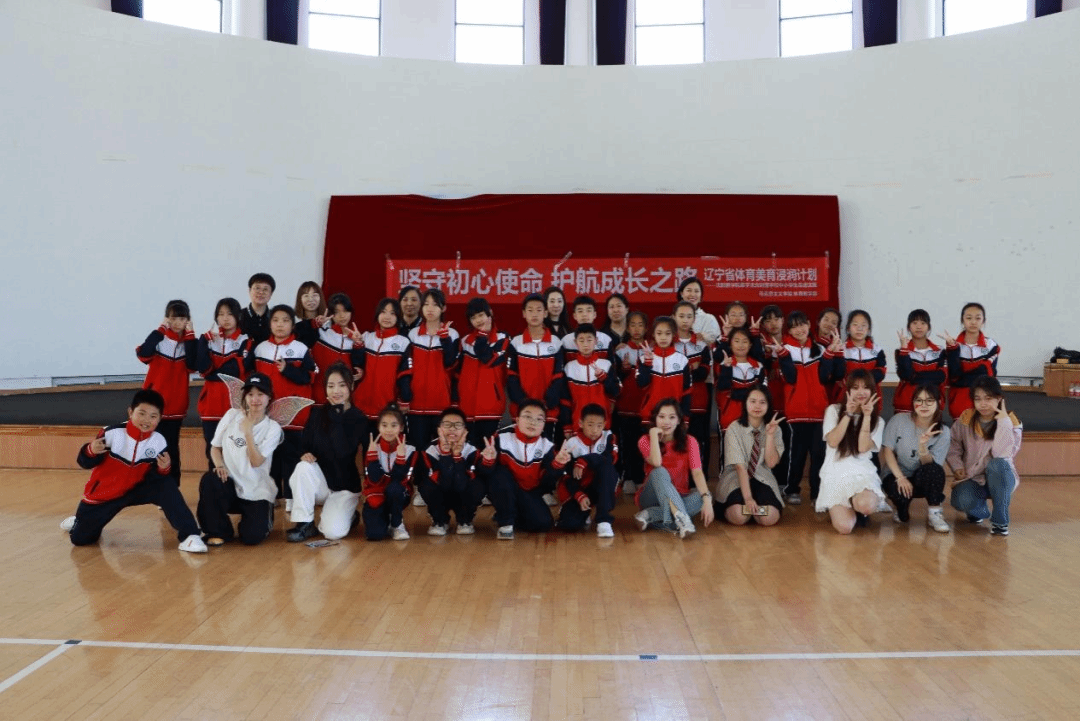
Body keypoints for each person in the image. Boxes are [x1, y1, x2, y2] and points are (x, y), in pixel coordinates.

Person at [61, 389, 206, 553]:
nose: (147, 420)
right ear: (130, 412)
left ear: (159, 418)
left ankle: (190, 536)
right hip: (106, 495)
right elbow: (85, 463)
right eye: (142, 414)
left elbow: (156, 477)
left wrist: (163, 469)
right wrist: (91, 450)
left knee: (167, 485)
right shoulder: (111, 433)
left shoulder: (159, 441)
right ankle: (78, 522)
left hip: (136, 489)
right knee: (80, 539)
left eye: (153, 416)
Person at [196, 373, 284, 546]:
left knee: (252, 537)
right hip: (230, 484)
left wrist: (248, 432)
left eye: (260, 394)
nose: (255, 399)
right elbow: (215, 447)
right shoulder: (232, 415)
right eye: (250, 394)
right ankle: (218, 531)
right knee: (210, 480)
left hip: (256, 490)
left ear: (269, 397)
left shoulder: (273, 428)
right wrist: (220, 465)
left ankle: (262, 515)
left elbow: (256, 462)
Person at [285, 363, 365, 542]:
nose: (336, 391)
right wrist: (304, 453)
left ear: (351, 386)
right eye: (331, 386)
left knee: (332, 533)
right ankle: (304, 524)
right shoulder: (317, 414)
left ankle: (350, 515)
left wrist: (337, 414)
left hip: (344, 487)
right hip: (321, 482)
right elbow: (304, 443)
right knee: (303, 467)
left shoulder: (357, 418)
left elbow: (343, 451)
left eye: (342, 385)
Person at [248, 304, 316, 502]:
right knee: (270, 456)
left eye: (285, 321)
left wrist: (288, 370)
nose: (280, 325)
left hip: (292, 416)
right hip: (266, 416)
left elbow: (310, 377)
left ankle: (291, 498)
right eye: (276, 320)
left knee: (291, 457)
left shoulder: (301, 349)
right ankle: (273, 495)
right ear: (270, 324)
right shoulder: (260, 348)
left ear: (292, 325)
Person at [774, 311, 842, 505]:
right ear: (789, 330)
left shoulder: (820, 349)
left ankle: (816, 493)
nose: (799, 329)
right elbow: (790, 378)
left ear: (809, 324)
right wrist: (783, 356)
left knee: (818, 455)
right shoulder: (784, 349)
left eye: (802, 324)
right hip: (796, 412)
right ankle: (792, 490)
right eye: (794, 326)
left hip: (819, 412)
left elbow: (824, 377)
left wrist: (829, 354)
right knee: (796, 455)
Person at [477, 399, 568, 540]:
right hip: (504, 488)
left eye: (539, 419)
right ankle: (505, 523)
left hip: (528, 491)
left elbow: (547, 483)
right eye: (528, 416)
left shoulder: (547, 445)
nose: (533, 423)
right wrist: (488, 461)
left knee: (543, 523)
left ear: (544, 424)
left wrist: (557, 465)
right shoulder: (501, 437)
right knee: (500, 474)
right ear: (517, 419)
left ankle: (510, 514)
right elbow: (483, 473)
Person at [947, 377, 1022, 536]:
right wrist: (957, 466)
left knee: (997, 464)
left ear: (999, 399)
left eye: (988, 398)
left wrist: (1003, 422)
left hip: (1001, 477)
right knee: (960, 501)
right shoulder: (966, 419)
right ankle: (979, 510)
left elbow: (1001, 454)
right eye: (978, 399)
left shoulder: (1011, 422)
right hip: (973, 477)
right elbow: (953, 445)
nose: (983, 404)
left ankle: (1000, 521)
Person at [815, 370, 886, 534]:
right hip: (835, 472)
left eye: (865, 388)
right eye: (855, 388)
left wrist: (867, 416)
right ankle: (847, 508)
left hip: (861, 472)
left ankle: (858, 506)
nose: (861, 392)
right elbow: (833, 442)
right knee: (845, 528)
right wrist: (848, 414)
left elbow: (862, 448)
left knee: (866, 506)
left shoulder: (878, 421)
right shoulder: (833, 410)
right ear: (848, 390)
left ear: (872, 391)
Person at [136, 299, 197, 483]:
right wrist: (160, 329)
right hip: (153, 406)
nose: (178, 323)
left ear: (188, 320)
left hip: (176, 406)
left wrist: (190, 336)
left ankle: (172, 486)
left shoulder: (189, 343)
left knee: (171, 448)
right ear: (167, 319)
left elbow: (193, 365)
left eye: (182, 319)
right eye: (173, 318)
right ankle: (150, 486)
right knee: (150, 446)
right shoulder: (159, 340)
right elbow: (143, 353)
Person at [634, 398, 714, 537]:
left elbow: (697, 472)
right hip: (651, 497)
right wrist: (654, 436)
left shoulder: (690, 441)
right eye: (661, 417)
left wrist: (707, 500)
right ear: (655, 419)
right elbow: (656, 462)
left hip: (680, 495)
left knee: (706, 496)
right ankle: (683, 520)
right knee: (659, 471)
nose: (666, 422)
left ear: (678, 420)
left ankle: (650, 515)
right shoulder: (645, 440)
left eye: (672, 417)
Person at [880, 383, 951, 533]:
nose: (923, 405)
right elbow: (887, 450)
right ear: (913, 403)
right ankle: (901, 507)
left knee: (934, 471)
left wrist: (922, 446)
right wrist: (900, 477)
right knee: (903, 517)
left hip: (921, 478)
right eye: (919, 400)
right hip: (898, 476)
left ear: (939, 403)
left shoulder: (943, 431)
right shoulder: (898, 420)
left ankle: (935, 513)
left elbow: (932, 466)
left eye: (929, 400)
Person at [716, 386, 785, 527]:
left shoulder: (775, 429)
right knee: (739, 515)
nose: (757, 406)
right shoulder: (734, 428)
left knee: (769, 517)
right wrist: (748, 498)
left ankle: (753, 512)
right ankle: (750, 510)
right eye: (753, 401)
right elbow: (740, 468)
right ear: (745, 403)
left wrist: (770, 435)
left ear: (768, 405)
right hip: (736, 477)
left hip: (762, 476)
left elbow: (771, 463)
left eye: (762, 402)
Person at [195, 297, 251, 467]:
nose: (225, 318)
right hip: (210, 406)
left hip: (234, 406)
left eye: (230, 314)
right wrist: (203, 341)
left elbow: (235, 370)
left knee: (236, 451)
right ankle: (215, 483)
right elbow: (203, 368)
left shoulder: (245, 340)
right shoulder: (209, 340)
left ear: (238, 316)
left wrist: (211, 374)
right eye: (221, 314)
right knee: (212, 452)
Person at [415, 407, 486, 535]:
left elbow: (462, 485)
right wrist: (445, 454)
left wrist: (457, 456)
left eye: (457, 425)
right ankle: (440, 521)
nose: (452, 429)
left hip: (462, 493)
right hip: (442, 494)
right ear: (439, 429)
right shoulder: (429, 450)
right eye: (447, 424)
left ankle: (465, 520)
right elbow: (443, 483)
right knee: (426, 485)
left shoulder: (472, 450)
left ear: (465, 430)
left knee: (478, 485)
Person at [407, 288, 459, 452]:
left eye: (435, 305)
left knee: (442, 451)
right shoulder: (413, 334)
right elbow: (406, 368)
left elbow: (451, 365)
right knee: (418, 451)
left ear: (443, 308)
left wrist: (445, 339)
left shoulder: (452, 334)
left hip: (441, 404)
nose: (430, 309)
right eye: (426, 304)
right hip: (415, 405)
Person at [555, 404, 619, 538]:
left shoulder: (608, 437)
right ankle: (578, 512)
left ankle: (604, 520)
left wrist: (585, 460)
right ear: (581, 423)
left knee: (607, 467)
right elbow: (566, 475)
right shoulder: (571, 443)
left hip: (601, 488)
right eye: (590, 425)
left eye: (599, 425)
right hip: (580, 489)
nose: (595, 430)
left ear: (604, 424)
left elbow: (610, 459)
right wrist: (578, 494)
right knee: (569, 525)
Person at [507, 293, 564, 440]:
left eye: (539, 310)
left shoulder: (556, 343)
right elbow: (511, 376)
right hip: (522, 411)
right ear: (524, 314)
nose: (534, 314)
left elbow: (558, 376)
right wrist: (523, 403)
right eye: (530, 310)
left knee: (547, 449)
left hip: (548, 411)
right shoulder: (516, 343)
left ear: (545, 313)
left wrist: (549, 402)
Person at [353, 298, 413, 434]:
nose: (387, 317)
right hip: (360, 405)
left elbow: (405, 374)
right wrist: (358, 345)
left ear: (398, 317)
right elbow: (357, 364)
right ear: (377, 314)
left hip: (387, 408)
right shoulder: (367, 337)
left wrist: (405, 399)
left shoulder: (403, 342)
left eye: (392, 313)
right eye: (383, 312)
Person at [457, 297, 510, 448]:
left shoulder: (503, 338)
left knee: (489, 451)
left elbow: (489, 360)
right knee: (468, 452)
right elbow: (457, 372)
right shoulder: (465, 341)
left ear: (490, 313)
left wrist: (482, 337)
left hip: (491, 406)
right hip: (466, 407)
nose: (478, 320)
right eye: (473, 318)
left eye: (481, 315)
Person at [361, 404, 416, 541]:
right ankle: (384, 518)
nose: (389, 430)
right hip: (377, 493)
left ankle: (397, 524)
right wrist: (372, 457)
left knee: (394, 488)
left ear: (401, 427)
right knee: (374, 535)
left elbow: (400, 480)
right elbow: (374, 480)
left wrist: (400, 458)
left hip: (398, 493)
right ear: (378, 427)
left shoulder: (410, 450)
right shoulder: (373, 447)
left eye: (394, 425)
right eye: (384, 425)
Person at [673, 300, 714, 475]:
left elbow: (703, 374)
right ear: (674, 317)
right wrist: (691, 367)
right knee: (675, 442)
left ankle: (698, 482)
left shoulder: (702, 344)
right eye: (681, 316)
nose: (685, 320)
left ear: (694, 319)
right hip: (674, 401)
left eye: (689, 316)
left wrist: (682, 370)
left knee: (697, 442)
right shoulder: (668, 342)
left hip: (698, 401)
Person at [559, 324, 620, 434]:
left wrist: (603, 378)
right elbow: (565, 400)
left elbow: (615, 391)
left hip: (602, 426)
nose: (585, 344)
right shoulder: (569, 368)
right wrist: (567, 426)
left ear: (596, 341)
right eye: (581, 340)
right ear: (575, 342)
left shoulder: (606, 365)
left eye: (589, 340)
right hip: (578, 425)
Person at [613, 311, 649, 494]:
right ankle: (627, 477)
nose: (636, 329)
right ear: (627, 328)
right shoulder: (620, 350)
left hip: (644, 406)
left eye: (640, 325)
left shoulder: (651, 349)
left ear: (646, 328)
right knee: (627, 444)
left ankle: (641, 478)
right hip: (625, 406)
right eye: (633, 325)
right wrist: (623, 370)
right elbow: (614, 379)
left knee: (643, 444)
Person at [945, 302, 1000, 419]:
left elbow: (989, 376)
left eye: (978, 318)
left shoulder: (991, 345)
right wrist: (952, 350)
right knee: (961, 429)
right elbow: (954, 377)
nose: (973, 322)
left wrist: (964, 379)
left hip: (984, 400)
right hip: (960, 400)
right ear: (962, 320)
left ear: (984, 321)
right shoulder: (953, 345)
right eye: (969, 318)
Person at [308, 292, 364, 405]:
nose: (342, 316)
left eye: (345, 311)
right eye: (337, 312)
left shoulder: (356, 339)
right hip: (318, 399)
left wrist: (358, 345)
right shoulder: (321, 334)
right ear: (331, 314)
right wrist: (314, 324)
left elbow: (358, 367)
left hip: (344, 400)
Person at [636, 316, 692, 425]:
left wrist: (685, 418)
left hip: (674, 418)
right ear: (653, 334)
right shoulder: (643, 359)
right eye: (659, 333)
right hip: (650, 415)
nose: (663, 337)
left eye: (667, 333)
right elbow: (641, 384)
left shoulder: (682, 360)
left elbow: (687, 391)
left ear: (674, 335)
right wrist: (648, 363)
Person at [894, 309, 949, 414]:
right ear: (908, 327)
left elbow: (942, 376)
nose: (919, 327)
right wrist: (904, 349)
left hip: (932, 405)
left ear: (929, 327)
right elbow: (906, 375)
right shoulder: (901, 351)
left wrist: (915, 377)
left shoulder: (940, 351)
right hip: (906, 406)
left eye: (923, 323)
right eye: (915, 323)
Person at [562, 295, 614, 363]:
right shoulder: (566, 341)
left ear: (594, 314)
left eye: (588, 310)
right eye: (580, 311)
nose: (584, 314)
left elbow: (611, 365)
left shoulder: (606, 340)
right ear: (574, 315)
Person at [676, 276, 720, 344]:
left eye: (696, 291)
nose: (693, 294)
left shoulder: (709, 319)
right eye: (689, 290)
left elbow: (716, 344)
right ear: (681, 294)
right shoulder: (673, 319)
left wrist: (705, 338)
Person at [240, 272, 275, 347]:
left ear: (271, 294)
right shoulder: (238, 315)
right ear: (250, 291)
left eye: (265, 289)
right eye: (257, 288)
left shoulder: (275, 317)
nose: (261, 292)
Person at [292, 280, 327, 347]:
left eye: (315, 295)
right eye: (306, 296)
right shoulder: (296, 328)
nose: (310, 299)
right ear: (300, 299)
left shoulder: (328, 325)